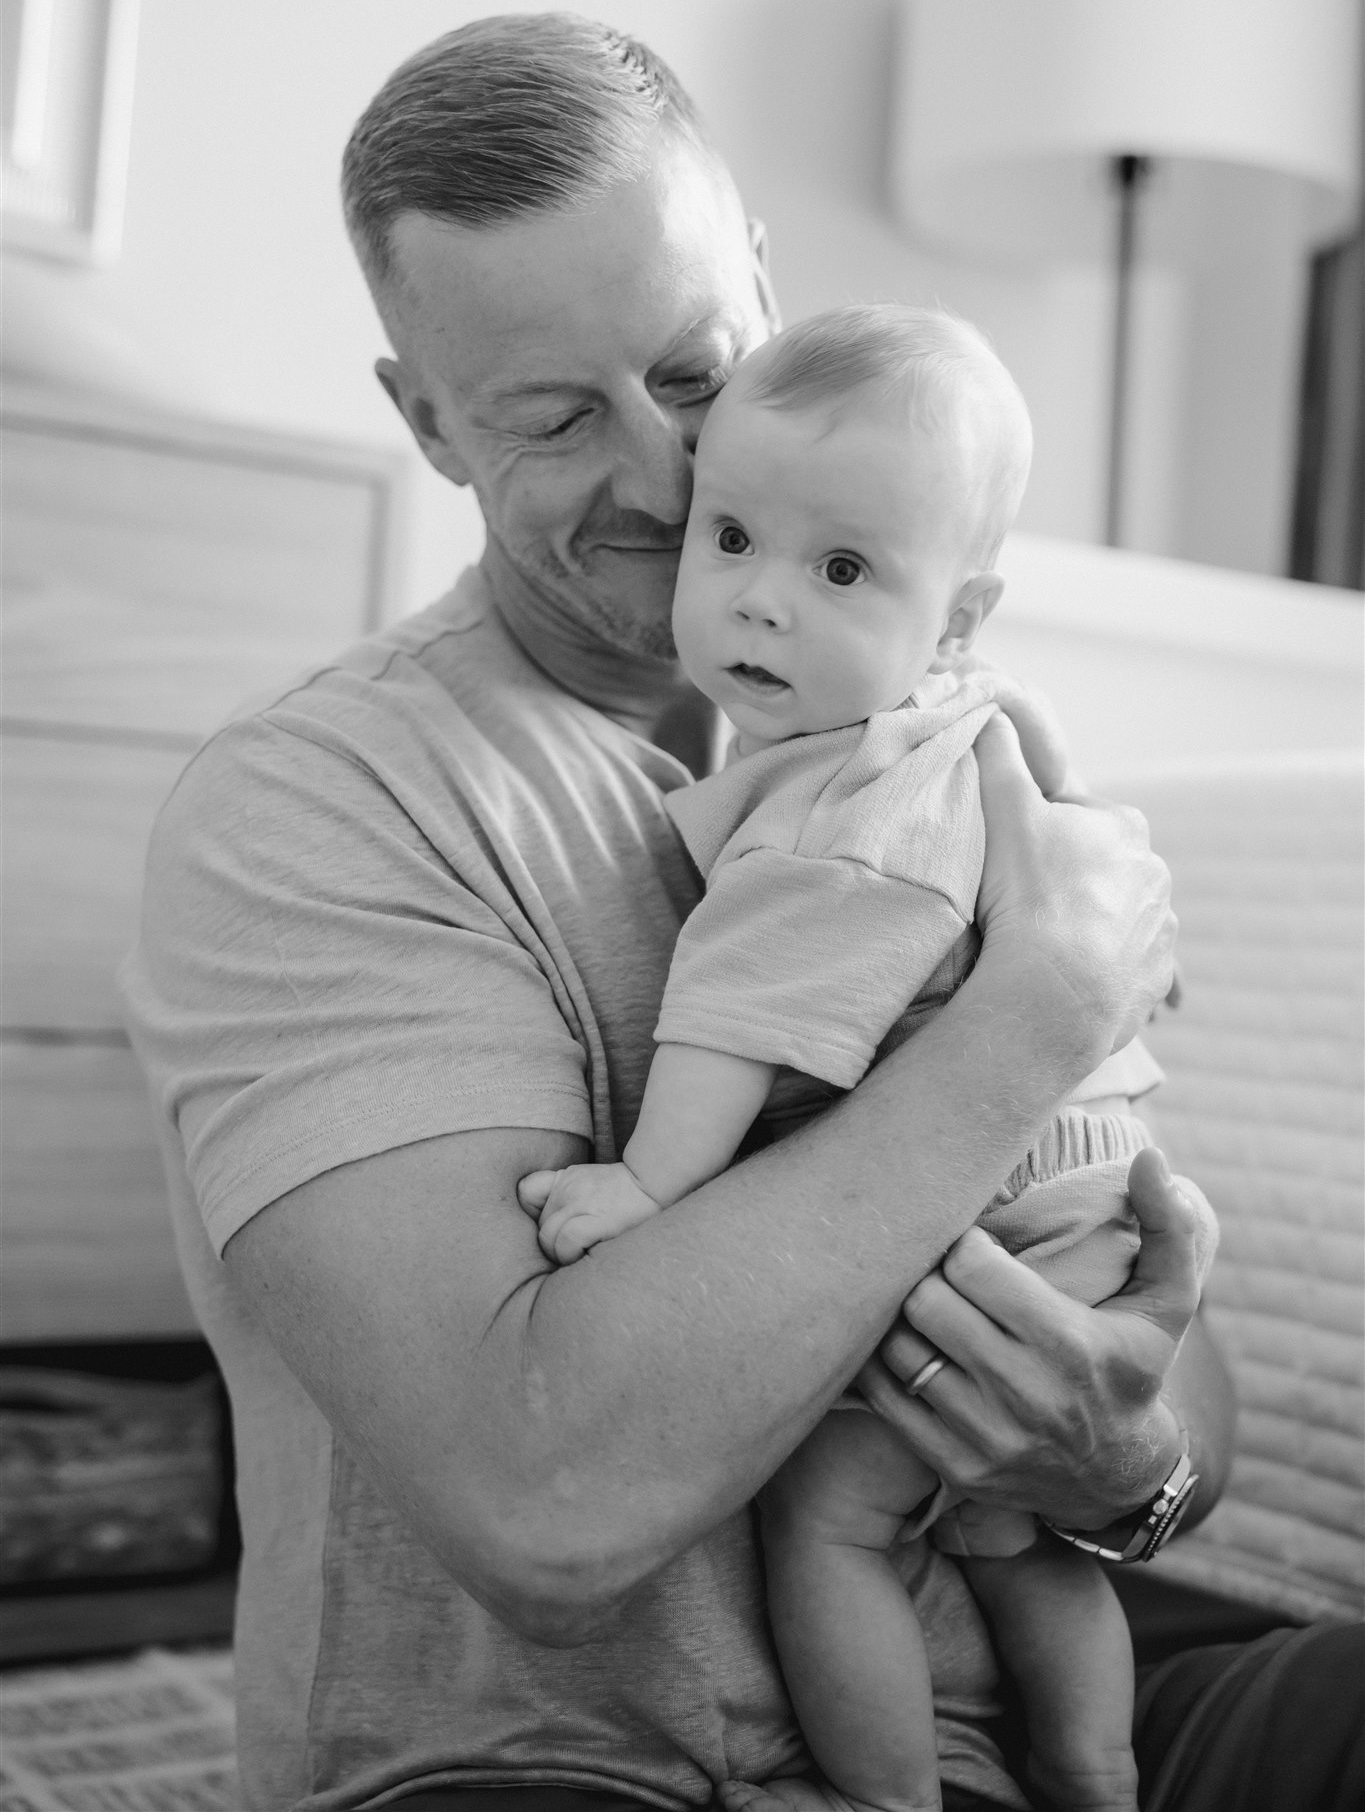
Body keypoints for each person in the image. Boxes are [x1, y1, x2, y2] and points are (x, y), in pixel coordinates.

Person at [120, 14, 1353, 1812]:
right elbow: (551, 1502)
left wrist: (1125, 1458)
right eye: (553, 418)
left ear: (765, 288)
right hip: (552, 1769)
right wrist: (1027, 1013)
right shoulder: (314, 811)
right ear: (427, 426)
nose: (663, 476)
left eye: (695, 371)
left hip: (1010, 1723)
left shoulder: (948, 731)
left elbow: (1147, 1335)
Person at [517, 304, 1219, 1812]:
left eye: (839, 570)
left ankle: (891, 1799)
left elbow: (745, 1017)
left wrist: (647, 1190)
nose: (762, 605)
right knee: (1009, 1527)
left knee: (836, 1519)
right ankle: (1093, 1768)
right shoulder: (965, 722)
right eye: (732, 540)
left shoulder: (850, 804)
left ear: (956, 617)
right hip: (1073, 1182)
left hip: (1004, 1197)